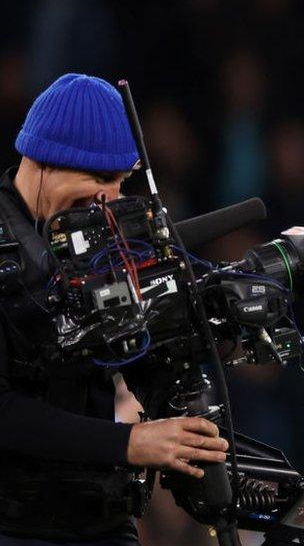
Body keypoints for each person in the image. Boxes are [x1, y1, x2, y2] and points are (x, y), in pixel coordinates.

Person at [0, 73, 229, 545]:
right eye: (100, 179)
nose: (110, 199)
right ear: (43, 161)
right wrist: (130, 444)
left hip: (103, 520)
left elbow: (139, 359)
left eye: (121, 182)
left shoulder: (109, 238)